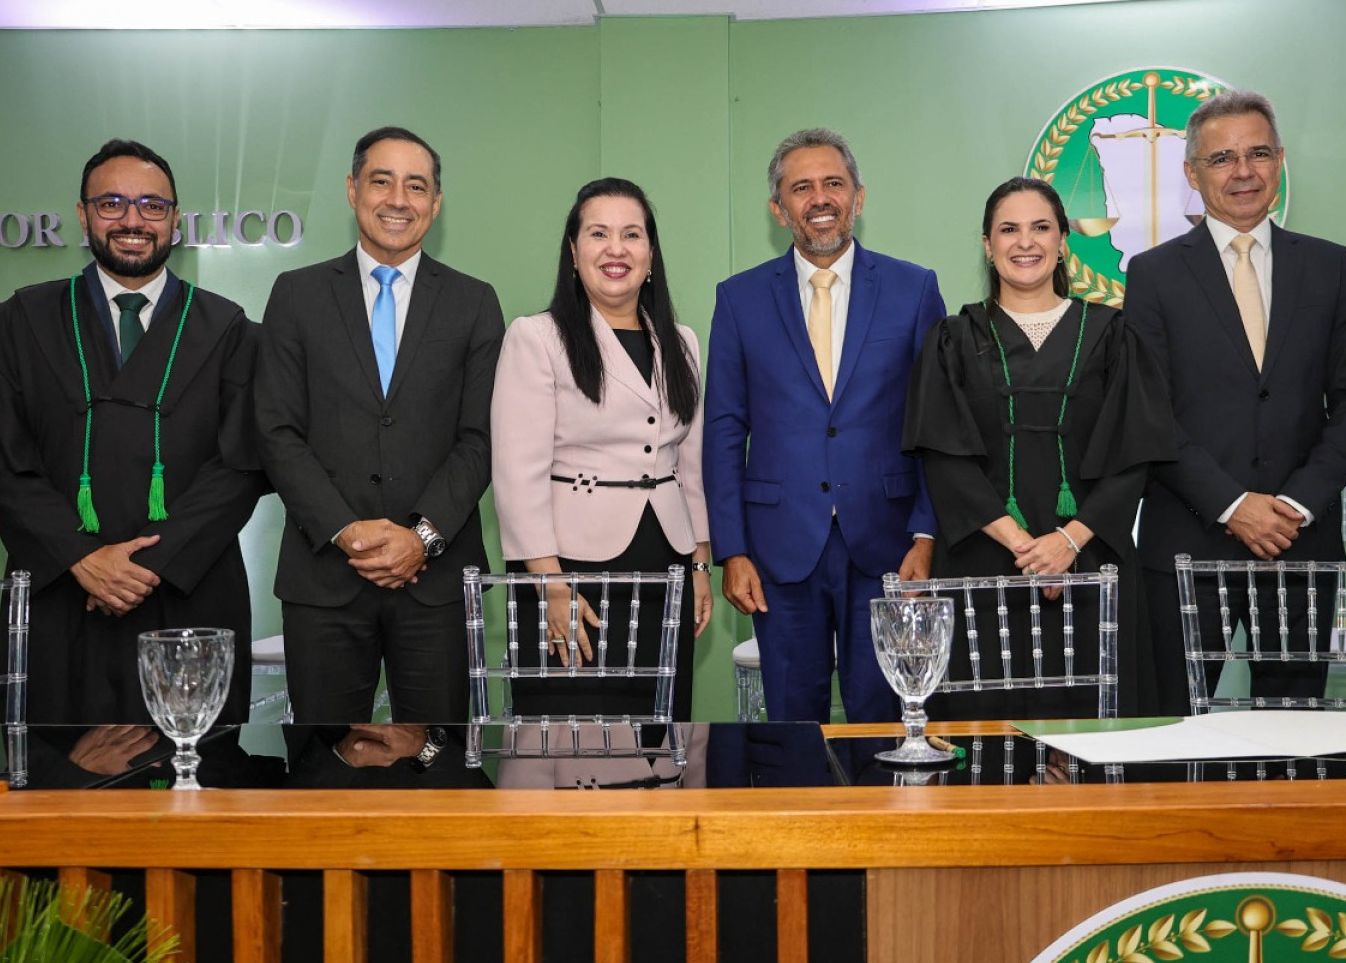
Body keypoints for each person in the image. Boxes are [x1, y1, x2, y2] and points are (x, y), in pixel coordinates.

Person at [0, 138, 265, 725]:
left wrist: (145, 567)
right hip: (61, 592)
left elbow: (240, 468)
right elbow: (2, 461)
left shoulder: (231, 332)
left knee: (194, 771)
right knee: (54, 770)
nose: (132, 221)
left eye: (152, 205)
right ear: (83, 213)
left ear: (175, 219)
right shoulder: (18, 324)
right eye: (112, 203)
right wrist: (82, 557)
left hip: (188, 594)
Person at [1123, 91, 1346, 714]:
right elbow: (1149, 410)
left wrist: (1295, 504)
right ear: (1192, 174)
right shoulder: (1152, 274)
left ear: (1280, 161)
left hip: (1300, 546)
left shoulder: (1328, 265)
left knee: (1295, 738)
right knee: (1171, 734)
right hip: (1187, 547)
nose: (1243, 171)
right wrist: (1233, 505)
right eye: (1222, 158)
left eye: (1258, 154)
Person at [256, 126, 503, 724]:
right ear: (352, 190)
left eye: (416, 186)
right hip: (323, 580)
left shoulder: (474, 302)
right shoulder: (297, 295)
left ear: (436, 203)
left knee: (439, 760)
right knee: (323, 763)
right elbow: (276, 431)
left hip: (437, 583)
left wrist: (421, 537)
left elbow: (481, 438)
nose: (398, 200)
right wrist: (346, 531)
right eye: (381, 181)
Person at [903, 177, 1174, 717]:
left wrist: (1068, 543)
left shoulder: (1113, 335)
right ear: (987, 245)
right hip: (984, 566)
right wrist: (1029, 551)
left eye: (1040, 227)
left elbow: (1133, 455)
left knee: (1092, 738)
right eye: (1009, 229)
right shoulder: (953, 340)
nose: (1025, 242)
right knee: (991, 737)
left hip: (1092, 563)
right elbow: (946, 461)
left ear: (1063, 240)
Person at [703, 128, 946, 724]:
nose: (820, 198)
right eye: (801, 187)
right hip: (778, 549)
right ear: (777, 208)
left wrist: (926, 535)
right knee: (792, 724)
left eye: (833, 183)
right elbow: (725, 430)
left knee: (883, 720)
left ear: (858, 197)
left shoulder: (914, 289)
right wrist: (732, 550)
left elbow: (938, 424)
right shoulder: (738, 299)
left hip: (890, 546)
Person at [490, 177, 712, 718]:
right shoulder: (537, 337)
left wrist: (701, 563)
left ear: (651, 253)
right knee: (573, 731)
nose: (617, 249)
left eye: (632, 235)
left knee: (660, 730)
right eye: (599, 234)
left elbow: (691, 463)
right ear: (573, 251)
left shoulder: (681, 341)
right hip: (569, 570)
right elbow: (517, 472)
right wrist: (549, 583)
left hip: (667, 564)